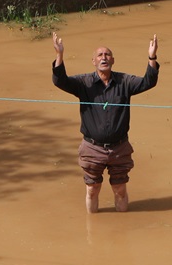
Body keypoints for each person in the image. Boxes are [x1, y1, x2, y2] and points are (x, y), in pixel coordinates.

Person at [51, 32, 159, 213]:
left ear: (113, 60)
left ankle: (123, 229)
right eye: (100, 55)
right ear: (93, 61)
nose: (104, 57)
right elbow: (60, 81)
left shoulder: (125, 82)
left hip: (120, 148)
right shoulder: (83, 83)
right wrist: (59, 55)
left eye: (107, 54)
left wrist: (152, 56)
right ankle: (92, 232)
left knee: (120, 190)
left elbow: (148, 82)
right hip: (92, 148)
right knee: (92, 190)